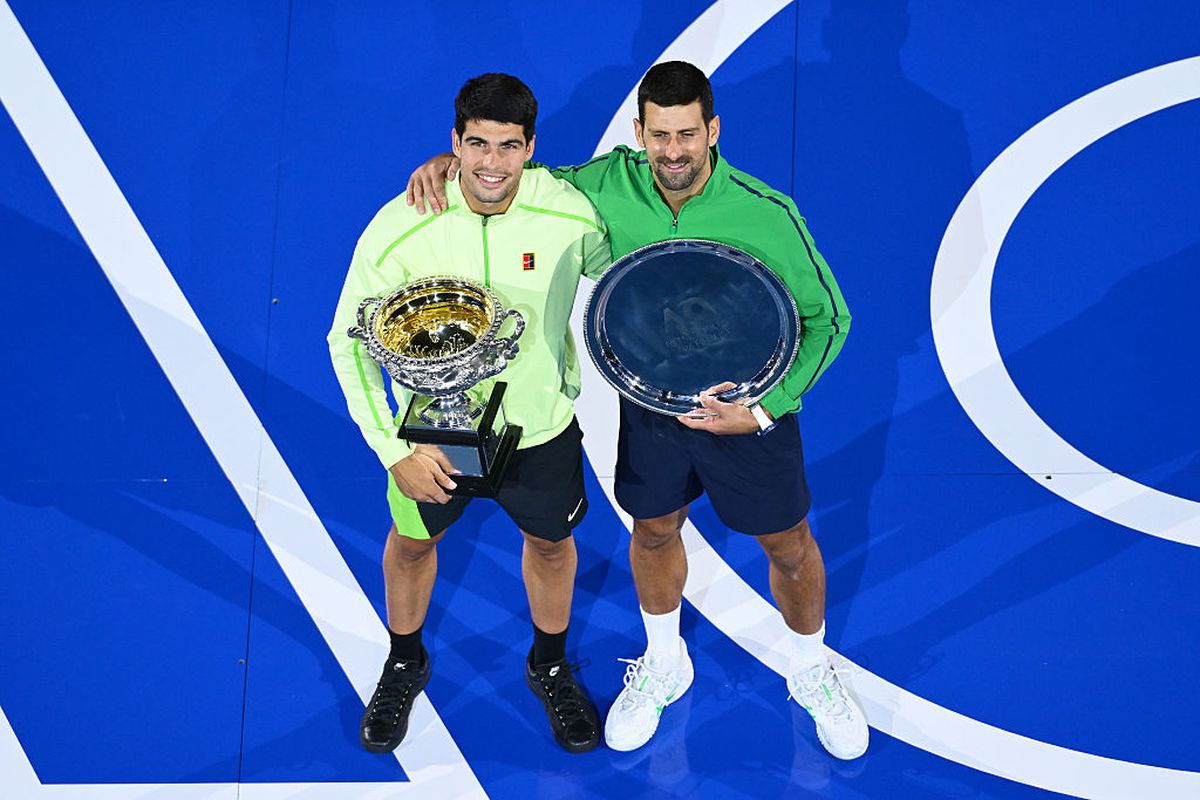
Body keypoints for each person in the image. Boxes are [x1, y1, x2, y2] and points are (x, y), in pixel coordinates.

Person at [406, 61, 866, 760]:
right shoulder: (601, 186)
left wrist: (766, 409)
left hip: (745, 409)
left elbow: (829, 319)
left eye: (688, 134)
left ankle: (810, 667)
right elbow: (515, 175)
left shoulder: (767, 212)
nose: (673, 152)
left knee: (788, 545)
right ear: (638, 132)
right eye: (659, 135)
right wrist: (450, 164)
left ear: (713, 130)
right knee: (653, 531)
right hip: (651, 407)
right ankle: (665, 661)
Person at [328, 73, 610, 755]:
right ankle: (405, 660)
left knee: (551, 546)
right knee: (412, 544)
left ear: (531, 147)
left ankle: (548, 665)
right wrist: (393, 450)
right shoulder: (401, 224)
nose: (492, 163)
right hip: (432, 439)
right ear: (453, 142)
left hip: (540, 429)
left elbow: (631, 272)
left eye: (508, 146)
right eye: (477, 144)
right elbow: (347, 339)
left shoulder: (572, 214)